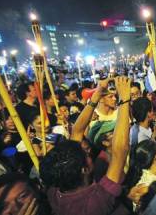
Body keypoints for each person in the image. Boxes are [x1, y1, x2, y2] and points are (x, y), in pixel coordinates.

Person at [40, 76, 131, 215]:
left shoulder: (55, 190)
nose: (89, 153)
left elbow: (77, 131)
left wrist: (96, 95)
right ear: (84, 170)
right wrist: (124, 100)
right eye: (86, 155)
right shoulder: (94, 202)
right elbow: (120, 151)